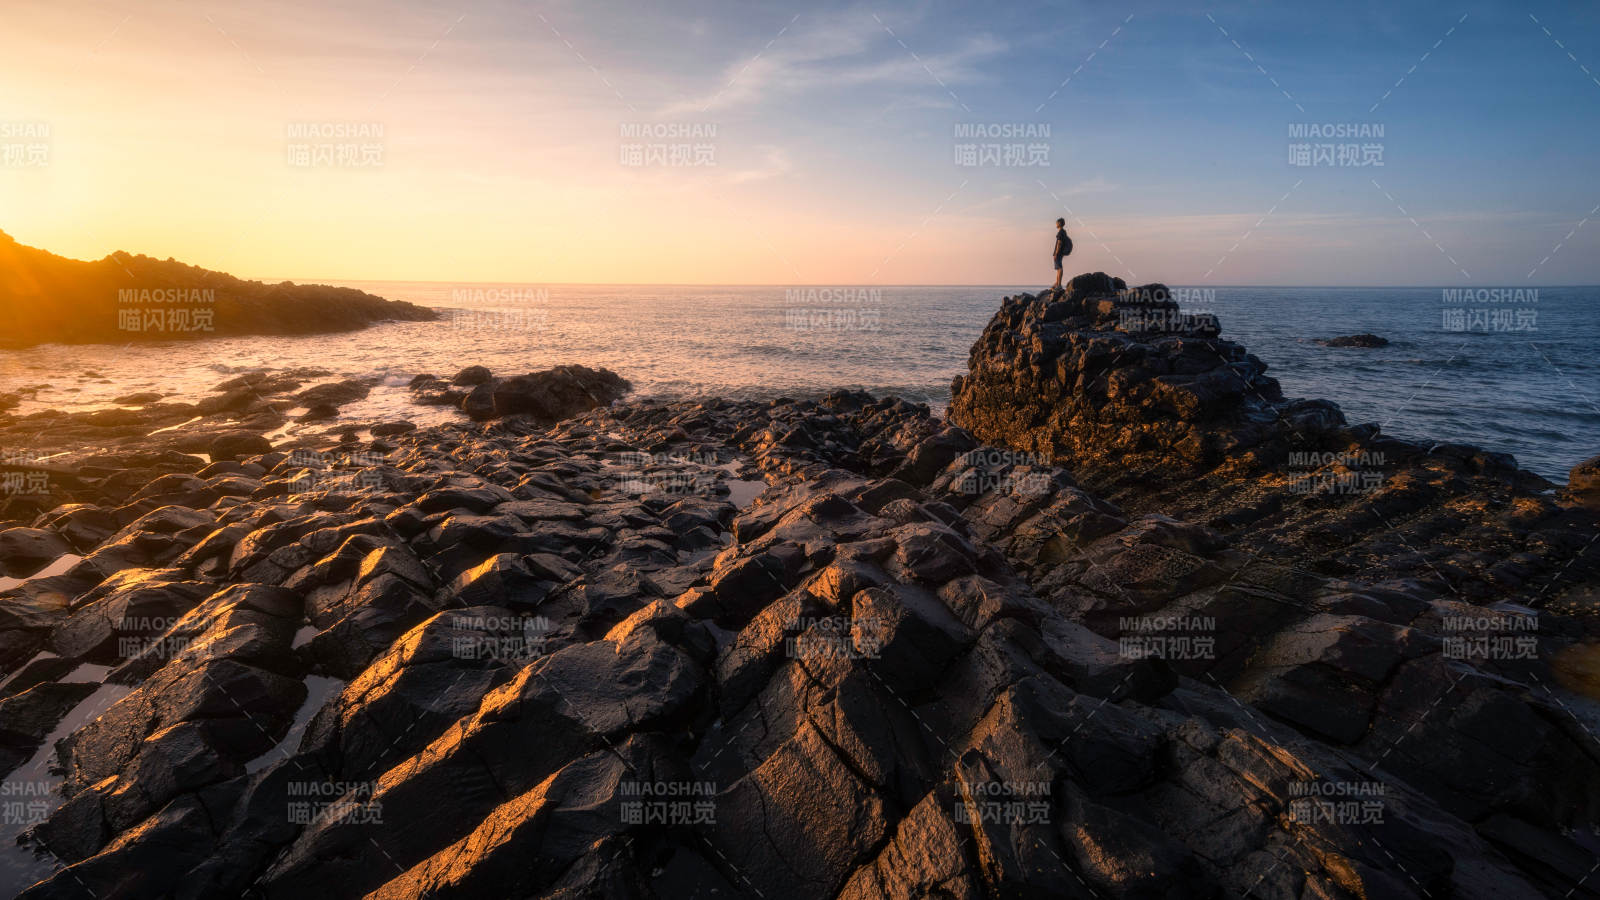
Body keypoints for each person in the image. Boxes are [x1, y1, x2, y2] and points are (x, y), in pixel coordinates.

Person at [1051, 217, 1072, 290]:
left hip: (1059, 253)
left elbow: (1059, 243)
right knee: (1058, 268)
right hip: (1061, 252)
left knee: (1059, 268)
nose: (1056, 224)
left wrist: (1056, 253)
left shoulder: (1060, 232)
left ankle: (1059, 285)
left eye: (1056, 223)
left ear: (1059, 224)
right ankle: (1057, 283)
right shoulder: (1064, 232)